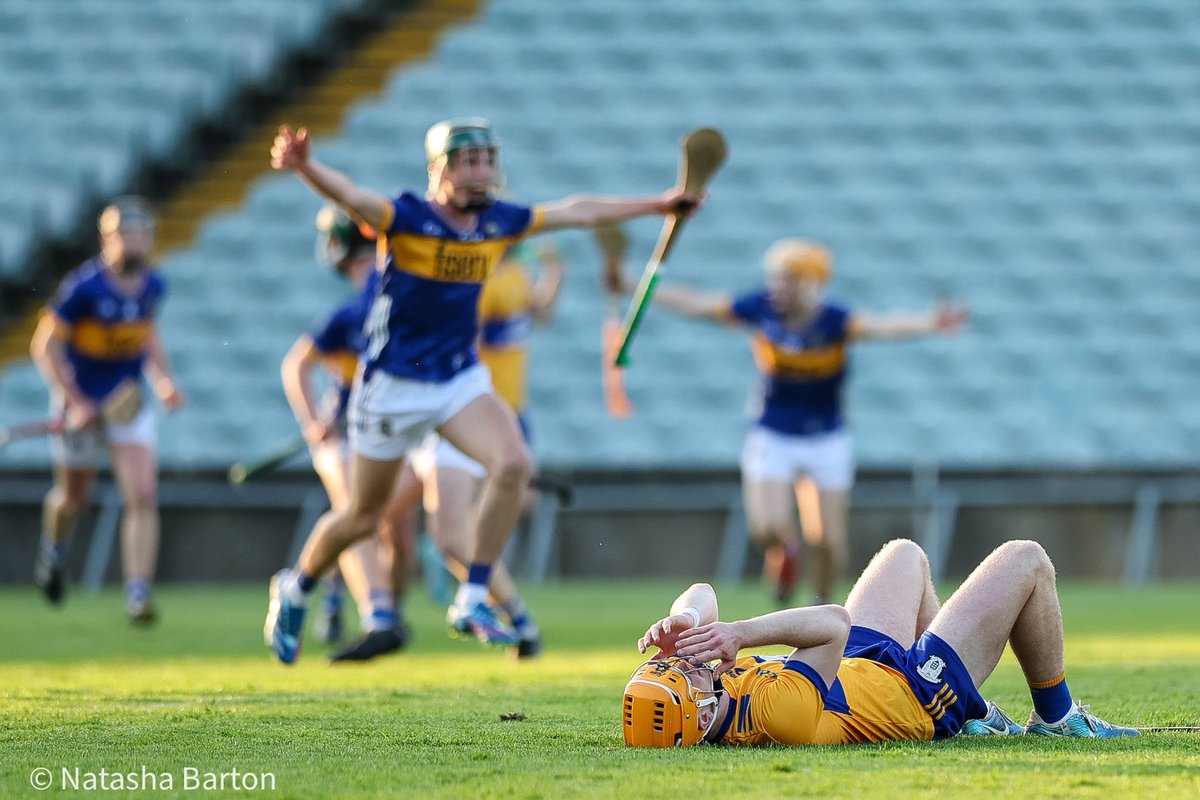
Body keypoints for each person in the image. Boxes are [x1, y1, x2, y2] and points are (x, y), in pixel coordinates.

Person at [264, 117, 700, 664]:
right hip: (394, 385)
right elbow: (352, 196)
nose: (480, 173)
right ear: (437, 171)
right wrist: (306, 168)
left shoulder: (499, 222)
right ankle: (297, 587)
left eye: (487, 161)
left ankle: (471, 596)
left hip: (458, 378)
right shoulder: (408, 216)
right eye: (467, 163)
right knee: (362, 517)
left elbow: (575, 210)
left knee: (513, 462)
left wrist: (658, 204)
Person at [605, 237, 967, 605]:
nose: (778, 286)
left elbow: (883, 327)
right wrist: (636, 285)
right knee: (766, 529)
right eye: (776, 278)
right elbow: (697, 304)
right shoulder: (760, 310)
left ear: (813, 283)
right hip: (773, 431)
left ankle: (823, 604)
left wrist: (928, 322)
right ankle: (786, 555)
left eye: (789, 279)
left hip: (826, 435)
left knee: (827, 539)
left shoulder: (834, 321)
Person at [624, 537, 1139, 747]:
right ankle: (1057, 719)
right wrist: (738, 633)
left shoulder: (706, 696)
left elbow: (702, 594)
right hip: (912, 694)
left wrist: (685, 617)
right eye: (680, 673)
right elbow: (832, 622)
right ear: (698, 706)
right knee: (1027, 560)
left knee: (904, 554)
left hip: (854, 667)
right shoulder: (776, 715)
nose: (683, 662)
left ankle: (977, 713)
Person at [393, 240, 567, 656]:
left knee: (508, 509)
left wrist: (556, 272)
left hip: (505, 412)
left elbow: (540, 312)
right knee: (444, 533)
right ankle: (518, 621)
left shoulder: (513, 275)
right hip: (466, 412)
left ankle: (471, 589)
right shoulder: (482, 282)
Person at [29, 196, 185, 624]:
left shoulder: (154, 284)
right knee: (74, 499)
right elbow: (44, 347)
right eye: (125, 236)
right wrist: (77, 402)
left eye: (140, 235)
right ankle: (54, 552)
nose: (134, 243)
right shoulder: (83, 288)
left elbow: (147, 335)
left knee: (142, 495)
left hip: (126, 403)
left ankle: (138, 593)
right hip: (80, 403)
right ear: (106, 240)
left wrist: (164, 379)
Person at [279, 206, 410, 661]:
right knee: (359, 513)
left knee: (386, 524)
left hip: (384, 429)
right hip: (344, 435)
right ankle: (378, 615)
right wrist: (313, 421)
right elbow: (295, 365)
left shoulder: (384, 298)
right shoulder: (351, 313)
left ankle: (350, 594)